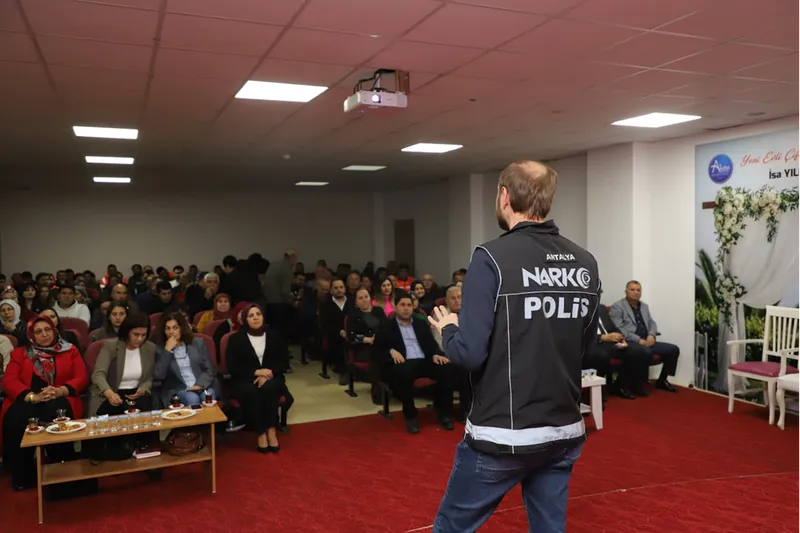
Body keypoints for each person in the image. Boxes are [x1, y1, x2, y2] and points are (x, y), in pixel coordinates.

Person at [428, 160, 601, 532]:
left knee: (452, 527)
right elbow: (587, 349)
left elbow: (469, 354)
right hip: (563, 430)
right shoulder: (585, 262)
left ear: (504, 196)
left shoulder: (490, 258)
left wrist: (448, 330)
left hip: (503, 434)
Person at [1, 315, 88, 490]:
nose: (44, 334)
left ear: (54, 330)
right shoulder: (19, 354)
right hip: (27, 399)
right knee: (18, 417)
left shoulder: (70, 350)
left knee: (56, 412)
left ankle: (60, 472)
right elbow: (9, 380)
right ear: (31, 335)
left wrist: (60, 391)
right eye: (38, 332)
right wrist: (32, 397)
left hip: (60, 396)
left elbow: (81, 377)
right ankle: (23, 473)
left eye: (48, 329)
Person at [375, 291, 456, 434]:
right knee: (404, 373)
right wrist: (391, 351)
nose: (406, 308)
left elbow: (431, 344)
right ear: (396, 306)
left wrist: (435, 355)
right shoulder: (386, 326)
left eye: (409, 305)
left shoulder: (420, 324)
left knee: (447, 369)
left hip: (424, 360)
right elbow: (378, 348)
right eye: (402, 305)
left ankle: (443, 412)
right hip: (403, 362)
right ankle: (411, 416)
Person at [226, 304, 288, 453]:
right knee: (251, 392)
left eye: (258, 314)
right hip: (245, 378)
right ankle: (261, 432)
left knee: (270, 388)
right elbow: (232, 366)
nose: (255, 318)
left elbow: (284, 361)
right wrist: (256, 372)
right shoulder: (235, 339)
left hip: (272, 376)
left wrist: (269, 373)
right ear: (245, 319)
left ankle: (271, 429)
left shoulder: (274, 335)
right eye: (251, 315)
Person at [89, 312, 155, 416]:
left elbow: (150, 377)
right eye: (136, 334)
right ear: (127, 331)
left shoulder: (150, 348)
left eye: (143, 335)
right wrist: (109, 393)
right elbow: (98, 375)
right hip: (112, 393)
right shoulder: (111, 346)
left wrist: (144, 388)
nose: (140, 339)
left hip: (137, 396)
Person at [153, 311, 218, 407]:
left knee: (207, 396)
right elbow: (159, 375)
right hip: (178, 389)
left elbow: (209, 369)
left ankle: (211, 418)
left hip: (201, 385)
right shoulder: (160, 349)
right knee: (192, 398)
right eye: (167, 328)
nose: (171, 332)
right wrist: (167, 351)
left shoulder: (197, 343)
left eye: (175, 328)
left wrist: (200, 385)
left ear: (182, 328)